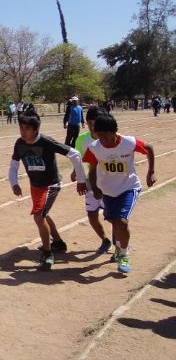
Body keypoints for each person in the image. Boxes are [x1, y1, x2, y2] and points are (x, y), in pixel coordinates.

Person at [9, 106, 87, 271]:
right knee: (44, 215)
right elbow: (14, 165)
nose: (23, 132)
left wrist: (81, 179)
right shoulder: (19, 143)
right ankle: (58, 243)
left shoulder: (46, 141)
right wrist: (14, 183)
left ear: (36, 129)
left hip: (51, 184)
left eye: (27, 129)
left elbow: (75, 154)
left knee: (39, 217)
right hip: (35, 186)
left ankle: (47, 253)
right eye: (21, 128)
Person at [83, 114, 156, 273]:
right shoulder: (95, 148)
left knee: (122, 221)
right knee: (114, 222)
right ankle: (119, 246)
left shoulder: (128, 142)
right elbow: (93, 169)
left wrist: (151, 172)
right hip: (108, 191)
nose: (103, 139)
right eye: (99, 135)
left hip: (128, 187)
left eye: (106, 135)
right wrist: (95, 187)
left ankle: (123, 254)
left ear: (114, 131)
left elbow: (149, 148)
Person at [72, 106, 113, 253]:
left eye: (95, 123)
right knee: (91, 215)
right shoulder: (82, 140)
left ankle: (120, 247)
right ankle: (105, 240)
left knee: (114, 218)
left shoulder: (111, 137)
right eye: (89, 123)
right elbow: (79, 159)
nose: (92, 127)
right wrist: (77, 176)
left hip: (110, 184)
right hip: (91, 181)